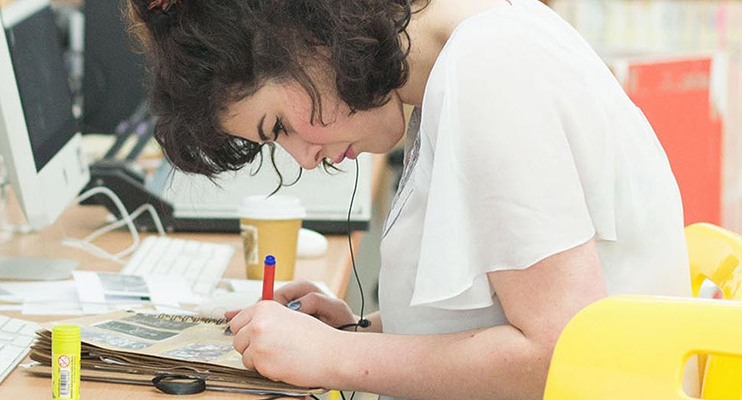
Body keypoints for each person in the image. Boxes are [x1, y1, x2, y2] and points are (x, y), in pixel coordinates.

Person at [126, 0, 690, 398]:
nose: (304, 158)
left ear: (304, 41)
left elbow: (564, 351)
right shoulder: (464, 56)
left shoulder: (491, 66)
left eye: (279, 126)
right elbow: (515, 309)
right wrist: (362, 330)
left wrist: (336, 357)